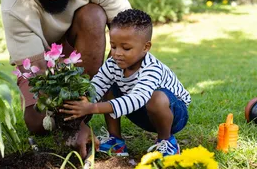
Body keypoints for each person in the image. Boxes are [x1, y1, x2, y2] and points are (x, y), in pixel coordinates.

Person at [1, 0, 131, 158]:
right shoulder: (14, 1)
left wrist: (113, 82)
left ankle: (83, 104)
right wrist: (73, 126)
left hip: (76, 50)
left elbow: (128, 29)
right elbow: (38, 74)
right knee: (38, 122)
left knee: (93, 15)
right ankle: (76, 116)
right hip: (41, 62)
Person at [60, 9, 191, 157]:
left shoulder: (152, 68)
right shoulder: (113, 64)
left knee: (157, 98)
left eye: (126, 48)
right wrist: (82, 102)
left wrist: (91, 108)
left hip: (173, 115)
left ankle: (166, 142)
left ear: (146, 47)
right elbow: (96, 86)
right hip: (141, 111)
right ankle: (116, 142)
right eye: (113, 46)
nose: (117, 53)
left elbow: (137, 99)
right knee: (108, 85)